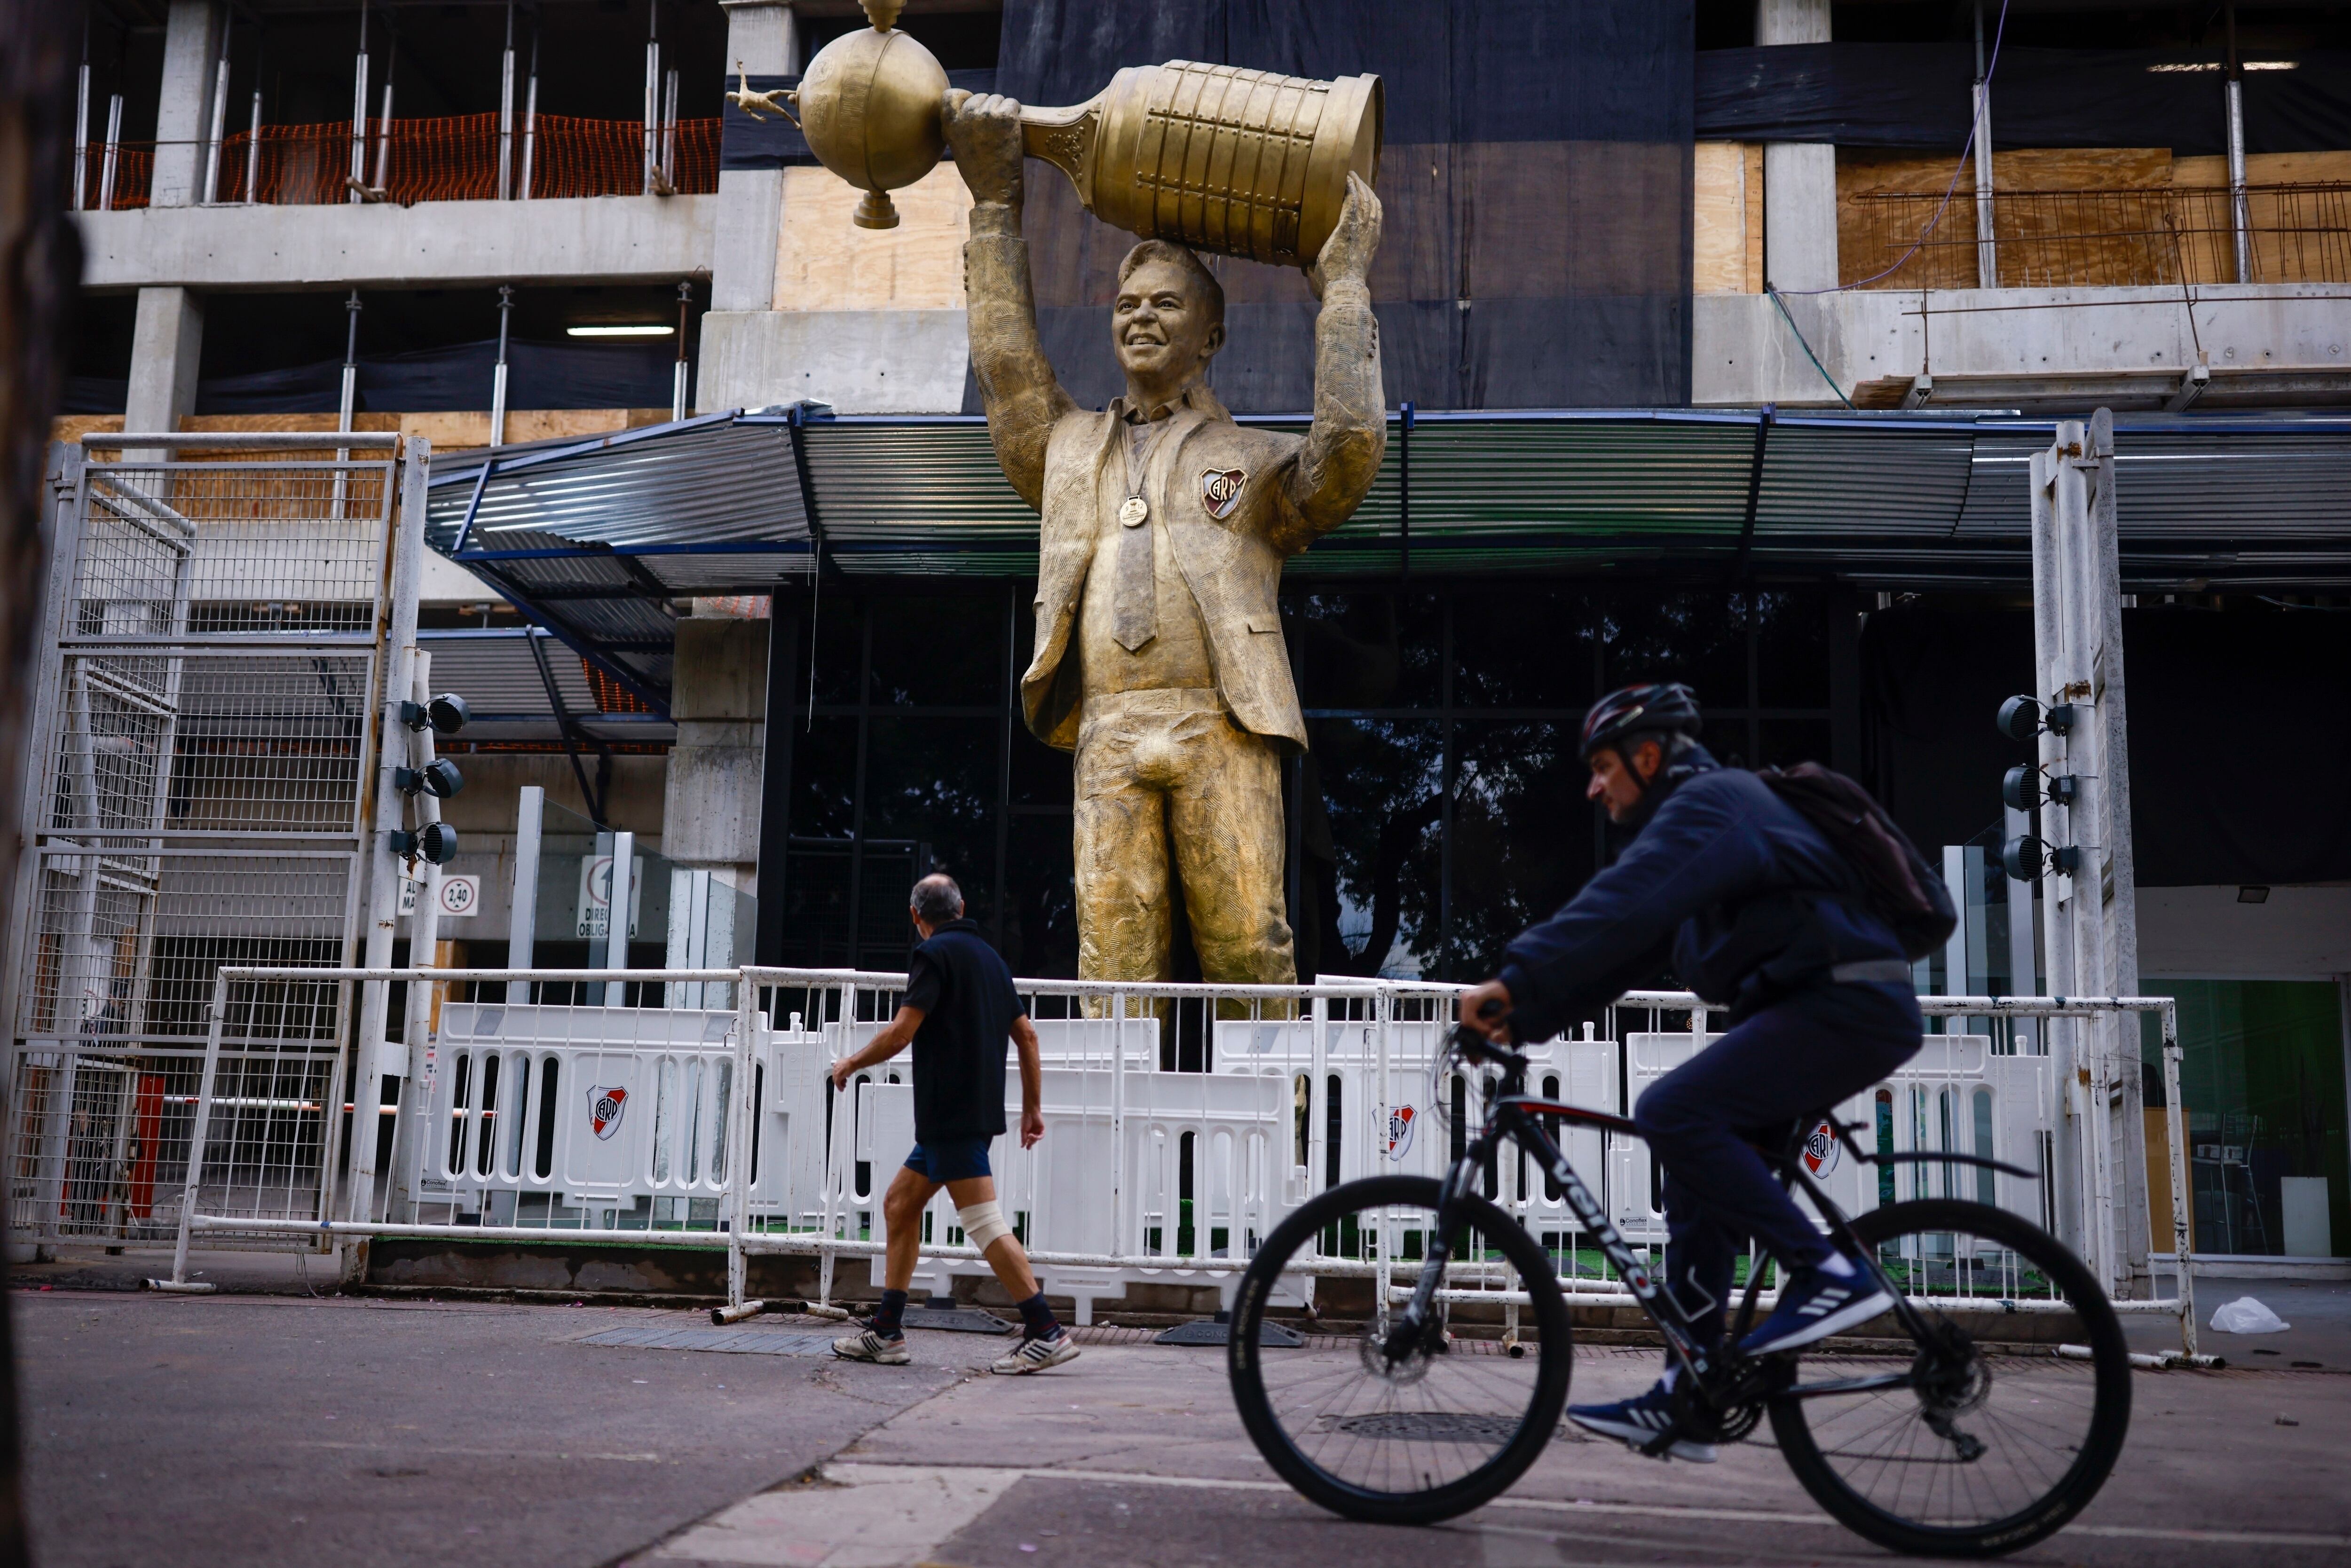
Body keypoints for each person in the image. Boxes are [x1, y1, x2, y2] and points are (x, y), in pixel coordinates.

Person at [939, 88, 1385, 988]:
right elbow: (1006, 372)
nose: (1139, 316)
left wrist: (1342, 291)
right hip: (1107, 726)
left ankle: (1272, 1131)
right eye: (1126, 304)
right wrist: (995, 206)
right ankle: (1118, 1130)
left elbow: (1345, 456)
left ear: (1210, 334)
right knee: (1112, 957)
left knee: (1250, 948)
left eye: (1167, 305)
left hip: (1219, 724)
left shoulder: (1253, 460)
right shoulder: (1066, 449)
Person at [1458, 683, 1923, 1463]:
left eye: (1603, 767)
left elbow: (1624, 905)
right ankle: (1691, 1393)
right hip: (1823, 1006)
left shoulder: (1716, 804)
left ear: (1648, 756)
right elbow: (1622, 954)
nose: (1592, 786)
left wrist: (1515, 976)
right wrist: (1523, 1018)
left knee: (1672, 1108)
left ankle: (1828, 1272)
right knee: (1694, 1183)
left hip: (1846, 1003)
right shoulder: (1707, 835)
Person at [829, 874, 1079, 1375]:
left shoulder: (932, 955)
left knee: (983, 1223)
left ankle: (1045, 1330)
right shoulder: (991, 959)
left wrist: (849, 1063)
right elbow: (1027, 1036)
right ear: (961, 905)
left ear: (914, 915)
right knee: (900, 1204)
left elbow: (903, 1031)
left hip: (949, 1111)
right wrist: (1032, 1107)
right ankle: (886, 1331)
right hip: (970, 1113)